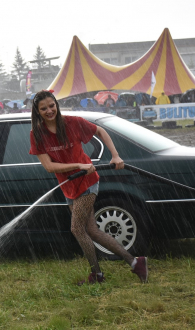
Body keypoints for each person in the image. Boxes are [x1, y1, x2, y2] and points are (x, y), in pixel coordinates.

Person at [28, 90, 148, 285]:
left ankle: (97, 275)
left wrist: (115, 155)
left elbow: (100, 131)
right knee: (91, 230)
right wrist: (78, 165)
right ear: (37, 111)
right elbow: (49, 166)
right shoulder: (37, 134)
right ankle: (136, 262)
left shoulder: (72, 123)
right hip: (68, 185)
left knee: (77, 229)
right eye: (44, 108)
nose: (49, 110)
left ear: (56, 105)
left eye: (52, 105)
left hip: (87, 181)